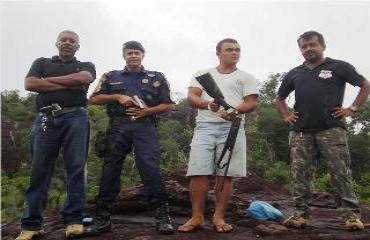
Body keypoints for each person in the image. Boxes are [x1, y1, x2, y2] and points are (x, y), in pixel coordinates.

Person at [277, 30, 370, 231]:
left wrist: (351, 109)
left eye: (312, 45)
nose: (308, 49)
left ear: (322, 46)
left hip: (332, 129)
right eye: (304, 46)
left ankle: (351, 217)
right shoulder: (295, 73)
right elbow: (280, 97)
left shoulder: (338, 66)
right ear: (301, 49)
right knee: (300, 174)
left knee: (340, 173)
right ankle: (300, 215)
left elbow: (364, 85)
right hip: (301, 131)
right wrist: (286, 116)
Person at [85, 41, 175, 235]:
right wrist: (117, 97)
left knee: (149, 166)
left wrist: (148, 111)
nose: (133, 56)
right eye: (129, 53)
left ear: (143, 55)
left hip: (145, 125)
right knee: (111, 167)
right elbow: (94, 99)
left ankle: (162, 216)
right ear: (124, 55)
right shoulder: (111, 76)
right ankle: (103, 217)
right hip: (118, 125)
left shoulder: (157, 78)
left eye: (136, 53)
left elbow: (168, 105)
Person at [16, 30, 96, 240]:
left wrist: (46, 82)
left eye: (72, 41)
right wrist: (71, 83)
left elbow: (84, 78)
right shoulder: (41, 62)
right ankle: (31, 225)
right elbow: (30, 84)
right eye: (64, 40)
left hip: (76, 117)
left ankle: (74, 221)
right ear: (57, 43)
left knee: (76, 168)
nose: (68, 43)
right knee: (39, 171)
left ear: (78, 46)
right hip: (45, 119)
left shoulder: (85, 65)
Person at [178, 38, 259, 233]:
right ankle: (197, 217)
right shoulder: (202, 74)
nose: (234, 53)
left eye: (237, 50)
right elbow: (192, 96)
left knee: (226, 174)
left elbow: (251, 102)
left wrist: (234, 111)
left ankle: (218, 217)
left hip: (233, 128)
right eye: (229, 50)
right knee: (198, 171)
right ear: (219, 53)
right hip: (205, 127)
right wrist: (208, 104)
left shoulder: (247, 77)